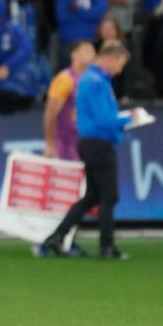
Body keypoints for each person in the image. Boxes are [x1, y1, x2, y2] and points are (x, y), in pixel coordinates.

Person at [37, 40, 138, 259]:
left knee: (91, 196)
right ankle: (107, 246)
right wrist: (131, 118)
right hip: (98, 143)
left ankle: (56, 236)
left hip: (90, 142)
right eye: (119, 63)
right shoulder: (95, 82)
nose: (120, 69)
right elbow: (104, 119)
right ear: (110, 58)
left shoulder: (93, 80)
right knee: (109, 196)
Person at [43, 40, 96, 161]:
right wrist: (50, 144)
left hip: (83, 144)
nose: (92, 54)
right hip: (64, 146)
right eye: (86, 50)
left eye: (93, 51)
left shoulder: (92, 81)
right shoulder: (65, 79)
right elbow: (50, 113)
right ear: (74, 55)